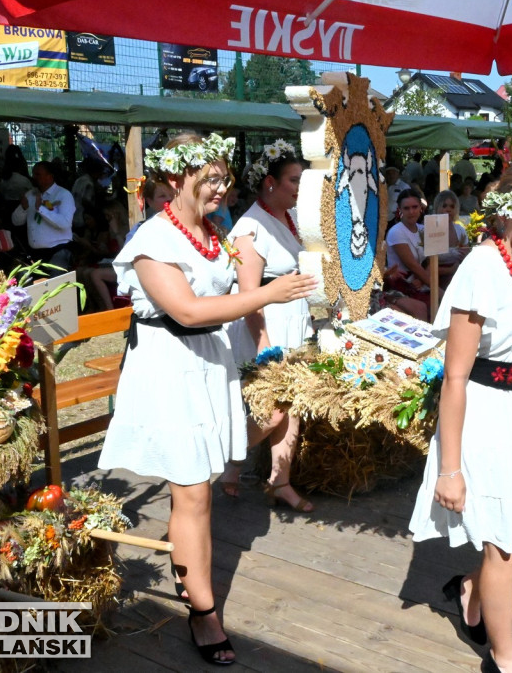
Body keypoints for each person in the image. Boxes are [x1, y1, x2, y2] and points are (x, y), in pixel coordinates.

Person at [99, 132, 316, 665]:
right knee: (193, 492)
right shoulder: (153, 240)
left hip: (208, 363)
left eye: (225, 178)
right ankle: (202, 612)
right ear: (175, 179)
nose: (222, 189)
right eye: (210, 179)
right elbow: (189, 311)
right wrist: (267, 293)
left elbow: (218, 294)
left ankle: (191, 584)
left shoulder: (210, 230)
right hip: (172, 368)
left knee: (200, 488)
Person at [409, 162, 512, 673]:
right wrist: (449, 471)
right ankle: (504, 655)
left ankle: (473, 589)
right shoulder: (481, 267)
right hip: (486, 418)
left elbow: (510, 346)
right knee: (504, 544)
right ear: (506, 215)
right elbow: (456, 377)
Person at [225, 138, 315, 513]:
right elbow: (248, 293)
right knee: (272, 409)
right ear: (270, 183)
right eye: (294, 180)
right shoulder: (250, 228)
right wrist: (263, 342)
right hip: (263, 327)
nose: (300, 188)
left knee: (290, 404)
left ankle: (280, 482)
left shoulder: (291, 218)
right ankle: (223, 459)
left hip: (293, 323)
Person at [11, 161, 76, 271]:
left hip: (58, 251)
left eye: (38, 174)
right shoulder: (30, 194)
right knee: (23, 281)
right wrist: (23, 208)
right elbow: (16, 222)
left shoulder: (63, 195)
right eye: (33, 174)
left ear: (50, 177)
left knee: (56, 283)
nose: (34, 177)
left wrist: (41, 209)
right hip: (34, 254)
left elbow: (65, 223)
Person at [385, 188, 437, 319]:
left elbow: (432, 259)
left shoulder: (424, 229)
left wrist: (422, 279)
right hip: (401, 285)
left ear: (421, 207)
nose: (411, 211)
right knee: (425, 306)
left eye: (415, 207)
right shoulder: (396, 232)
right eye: (406, 208)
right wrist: (437, 290)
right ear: (400, 210)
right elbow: (413, 265)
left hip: (420, 282)